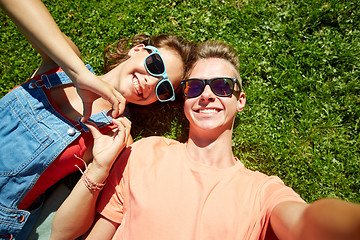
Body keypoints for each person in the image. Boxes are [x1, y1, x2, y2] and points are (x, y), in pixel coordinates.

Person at [51, 40, 360, 240]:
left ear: (240, 100)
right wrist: (98, 169)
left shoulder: (262, 191)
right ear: (184, 101)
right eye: (195, 87)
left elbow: (306, 224)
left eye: (223, 86)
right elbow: (76, 235)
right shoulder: (145, 152)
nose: (208, 95)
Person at [0, 0, 194, 239]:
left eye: (164, 88)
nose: (151, 82)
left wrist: (99, 167)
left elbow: (70, 232)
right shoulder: (61, 66)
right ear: (138, 50)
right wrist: (80, 74)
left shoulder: (117, 135)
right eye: (155, 65)